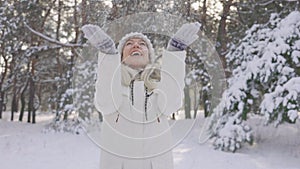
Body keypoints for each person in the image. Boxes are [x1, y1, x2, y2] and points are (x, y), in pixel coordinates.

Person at [82, 22, 200, 169]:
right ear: (120, 56)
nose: (136, 46)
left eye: (142, 44)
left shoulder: (160, 88)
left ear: (149, 56)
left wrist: (175, 52)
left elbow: (171, 105)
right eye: (129, 44)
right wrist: (108, 54)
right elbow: (105, 104)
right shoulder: (112, 85)